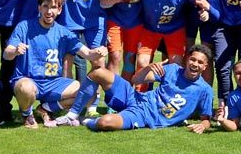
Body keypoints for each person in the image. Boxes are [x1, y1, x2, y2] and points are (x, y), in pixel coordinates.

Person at [3, 0, 107, 129]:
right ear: (39, 8)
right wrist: (15, 51)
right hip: (28, 79)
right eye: (45, 6)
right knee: (26, 88)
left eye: (53, 7)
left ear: (59, 10)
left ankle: (46, 108)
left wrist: (100, 51)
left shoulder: (63, 32)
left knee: (89, 92)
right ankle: (27, 115)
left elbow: (89, 54)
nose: (49, 11)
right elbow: (6, 54)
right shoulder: (24, 26)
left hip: (53, 82)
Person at [80, 44, 215, 133]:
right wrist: (148, 68)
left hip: (144, 116)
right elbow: (136, 80)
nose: (195, 64)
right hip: (136, 97)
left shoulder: (205, 90)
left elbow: (206, 118)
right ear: (187, 60)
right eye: (193, 59)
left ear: (205, 67)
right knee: (98, 72)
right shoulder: (173, 69)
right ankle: (73, 114)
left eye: (200, 62)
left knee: (105, 122)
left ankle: (88, 121)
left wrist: (203, 126)